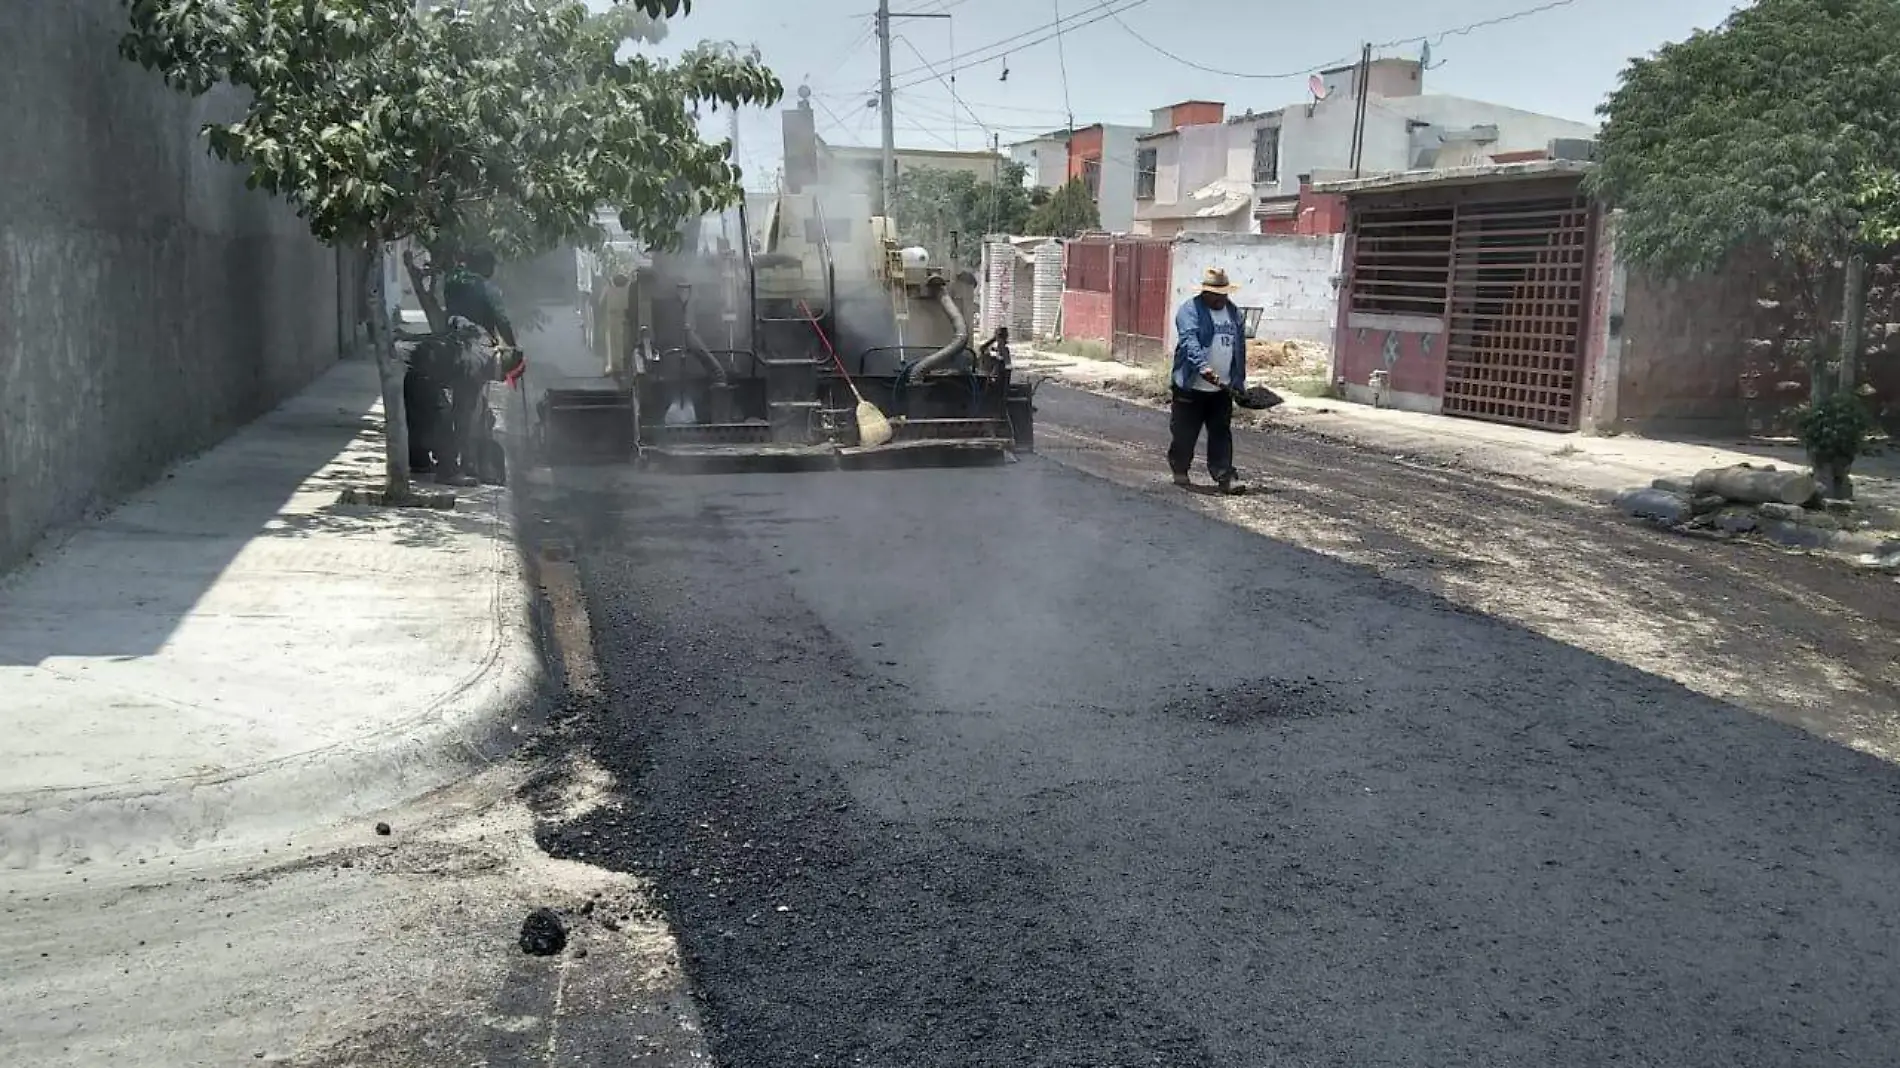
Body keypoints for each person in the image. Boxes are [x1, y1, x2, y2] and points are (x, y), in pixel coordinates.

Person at [1168, 267, 1249, 494]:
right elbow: (1189, 341)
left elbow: (1239, 349)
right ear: (1205, 293)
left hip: (1222, 388)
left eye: (1223, 293)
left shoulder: (1234, 314)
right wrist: (1203, 367)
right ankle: (1180, 467)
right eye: (1215, 294)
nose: (1220, 298)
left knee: (1221, 432)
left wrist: (1238, 382)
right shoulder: (1190, 311)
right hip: (1192, 385)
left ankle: (1225, 476)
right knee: (1184, 433)